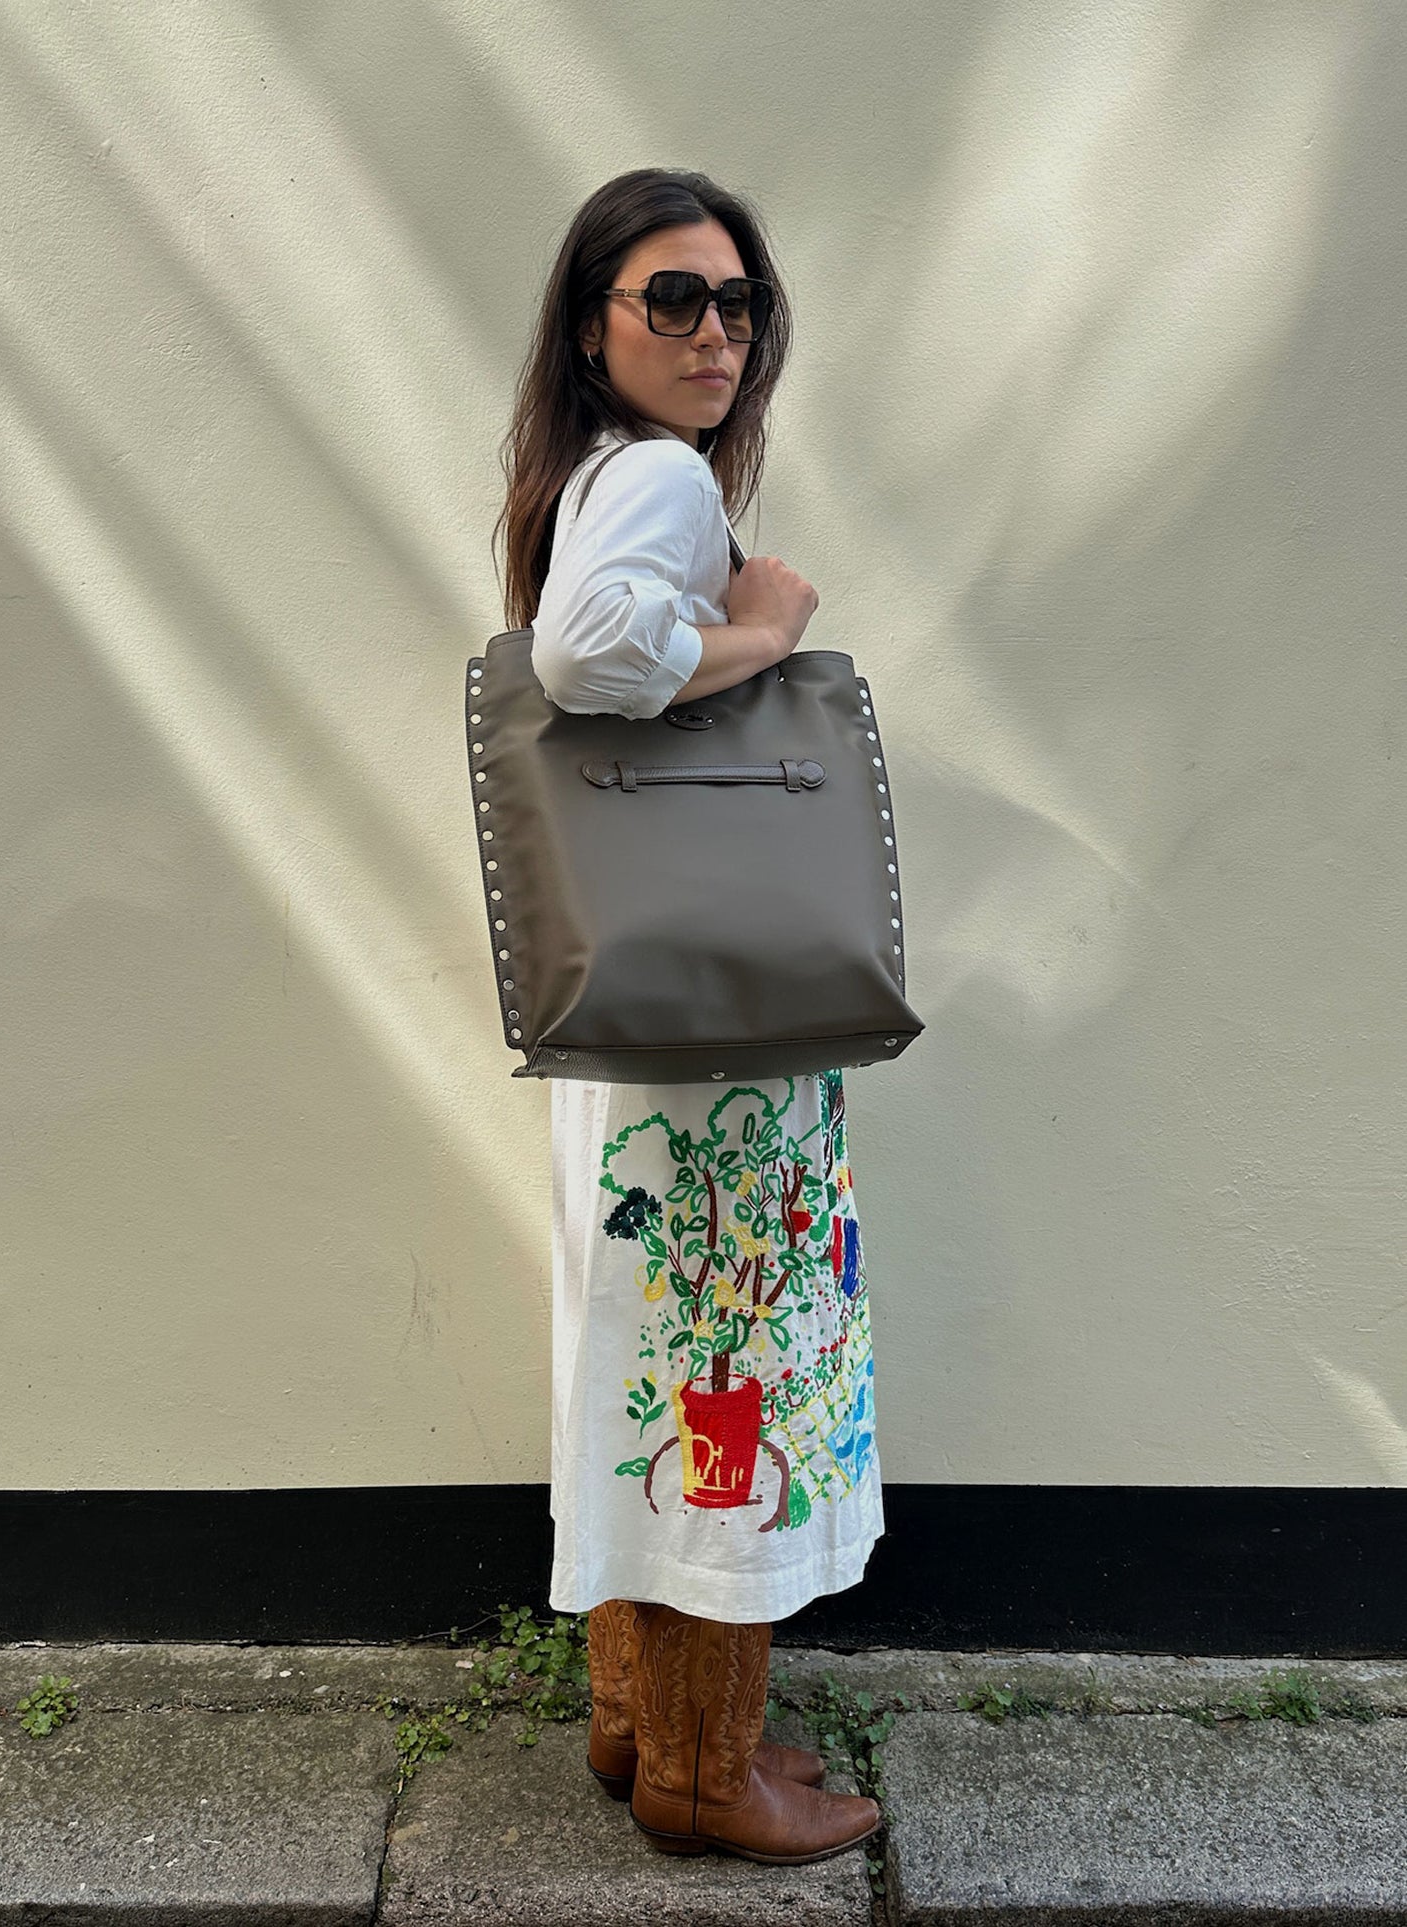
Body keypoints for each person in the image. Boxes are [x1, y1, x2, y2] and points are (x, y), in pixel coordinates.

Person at [492, 167, 883, 1865]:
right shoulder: (652, 476)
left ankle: (635, 1721)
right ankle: (705, 1774)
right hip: (715, 1046)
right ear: (595, 329)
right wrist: (768, 629)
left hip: (648, 1032)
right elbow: (587, 659)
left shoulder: (591, 476)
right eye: (672, 297)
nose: (714, 330)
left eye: (738, 302)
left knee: (652, 1354)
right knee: (734, 1355)